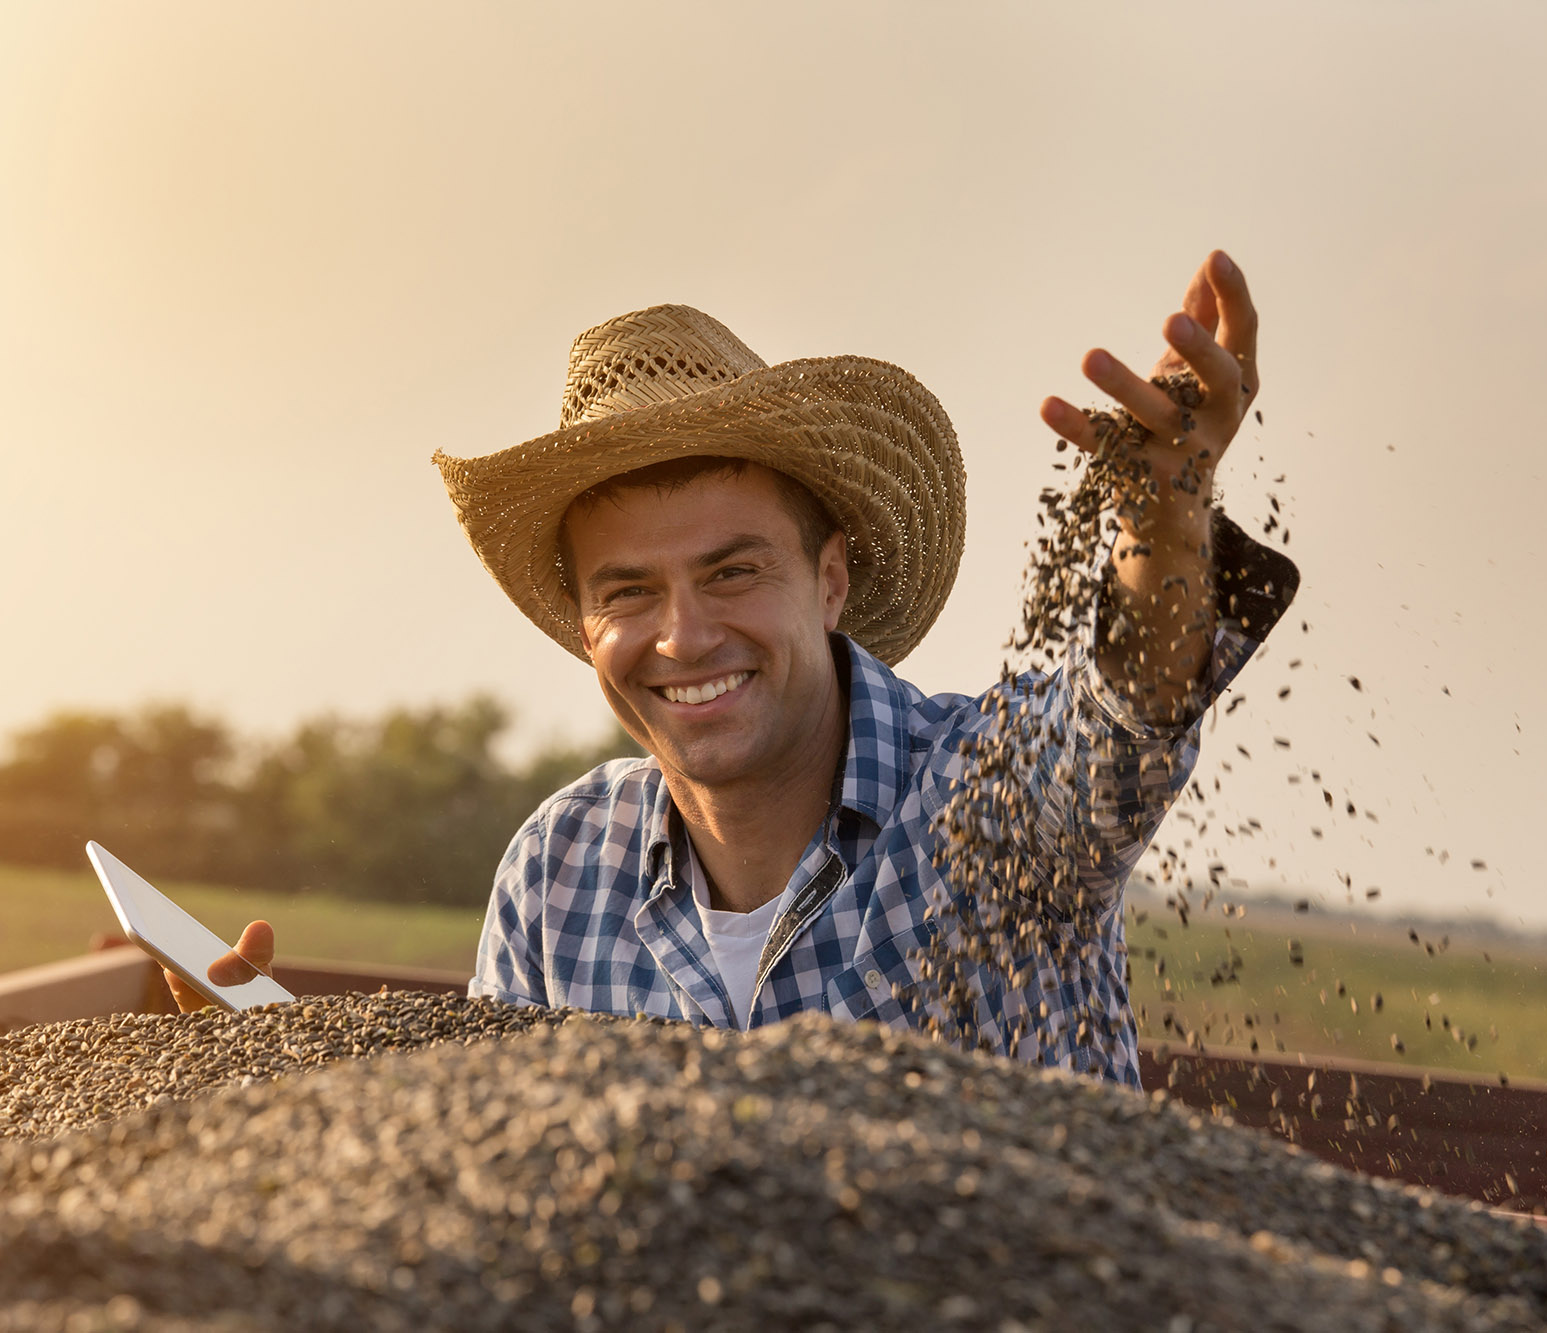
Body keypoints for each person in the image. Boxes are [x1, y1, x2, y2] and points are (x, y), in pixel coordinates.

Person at [169, 251, 1297, 1087]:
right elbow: (492, 1177)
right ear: (581, 626)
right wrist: (282, 1085)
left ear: (831, 580)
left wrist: (1163, 519)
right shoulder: (557, 875)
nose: (682, 635)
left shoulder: (989, 799)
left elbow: (1119, 732)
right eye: (626, 592)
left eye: (731, 570)